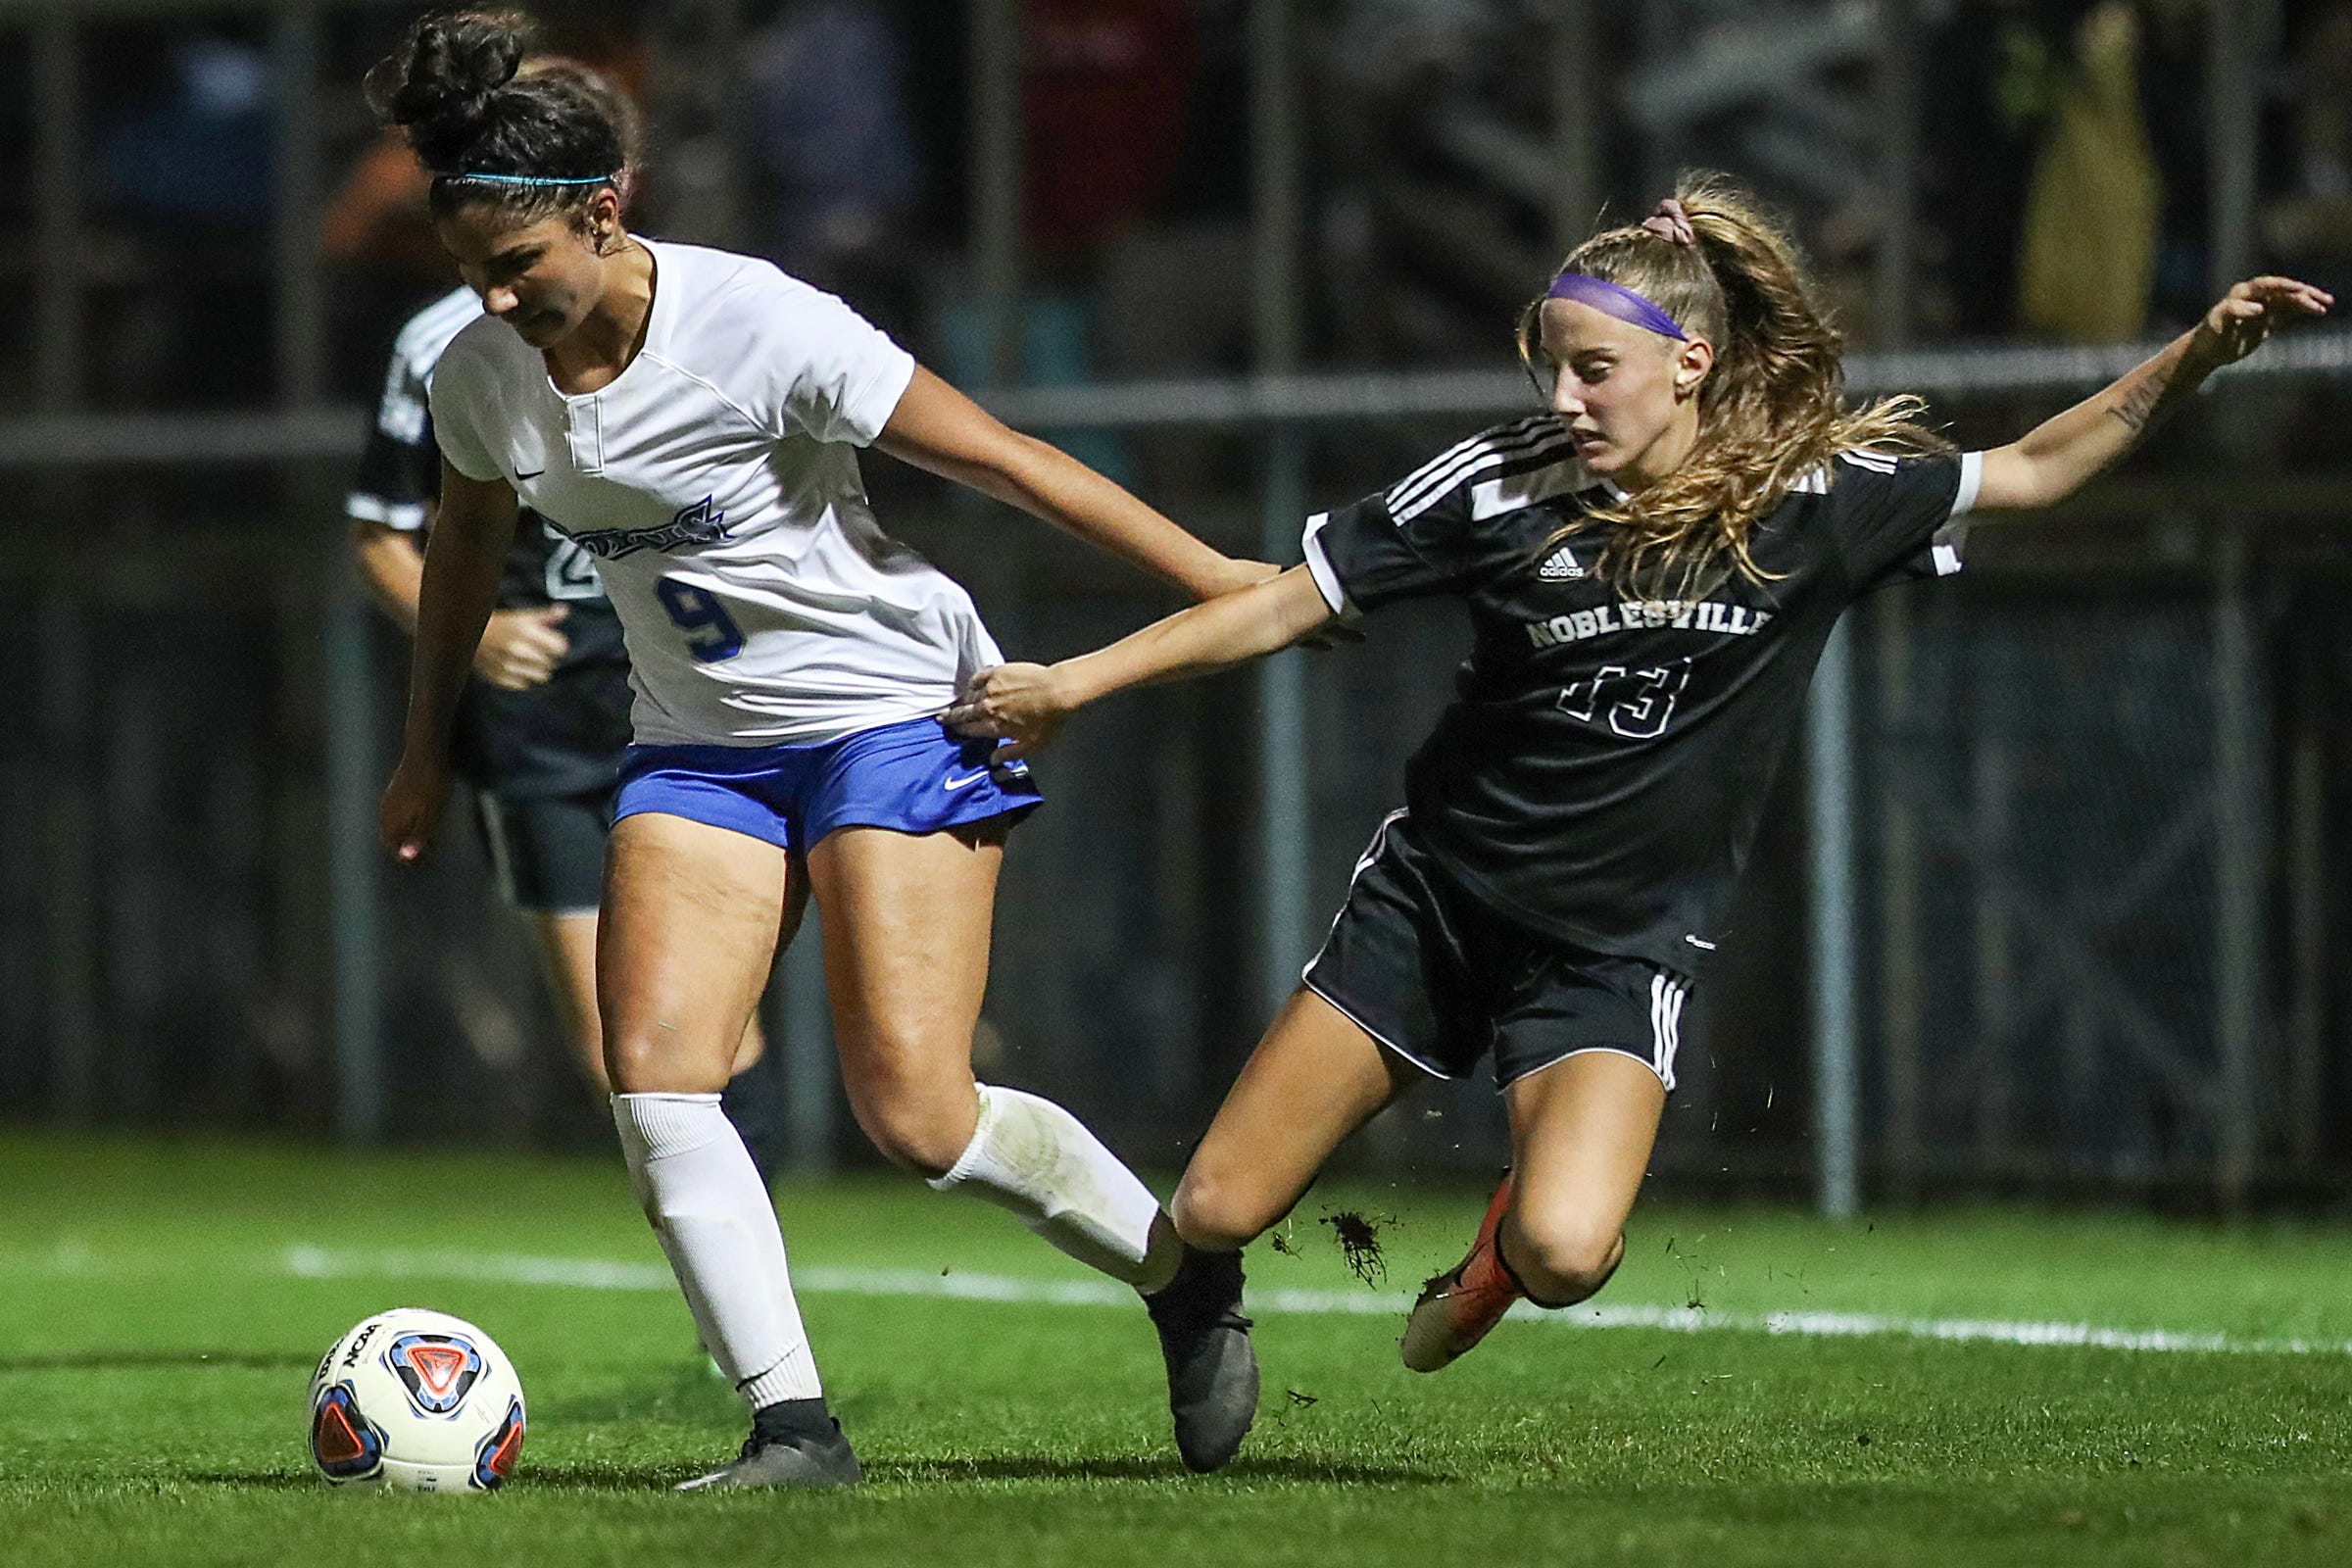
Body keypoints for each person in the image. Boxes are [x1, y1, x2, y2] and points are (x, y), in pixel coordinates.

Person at [949, 176, 2331, 1464]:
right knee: (1211, 1212)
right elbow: (1273, 603)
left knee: (1564, 1249)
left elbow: (2032, 468)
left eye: (1590, 368)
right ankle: (1202, 1300)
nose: (1562, 395)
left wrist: (2196, 353)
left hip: (1616, 948)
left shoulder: (1814, 500)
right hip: (1438, 904)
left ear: (1691, 363)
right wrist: (1076, 680)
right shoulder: (1499, 482)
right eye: (1548, 364)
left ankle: (1495, 1256)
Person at [366, 10, 1268, 1490]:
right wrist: (426, 744)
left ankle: (1180, 1276)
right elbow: (464, 550)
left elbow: (1006, 459)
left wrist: (1225, 582)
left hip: (891, 718)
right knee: (657, 1082)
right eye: (469, 273)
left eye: (516, 266)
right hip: (698, 748)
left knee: (916, 1115)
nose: (495, 298)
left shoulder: (760, 323)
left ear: (604, 211)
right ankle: (794, 1429)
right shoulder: (482, 375)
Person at [346, 55, 789, 1176]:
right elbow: (392, 535)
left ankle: (752, 1260)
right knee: (619, 1048)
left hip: (683, 698)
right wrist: (482, 641)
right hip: (542, 720)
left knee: (720, 1033)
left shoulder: (705, 313)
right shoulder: (454, 354)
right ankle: (732, 1293)